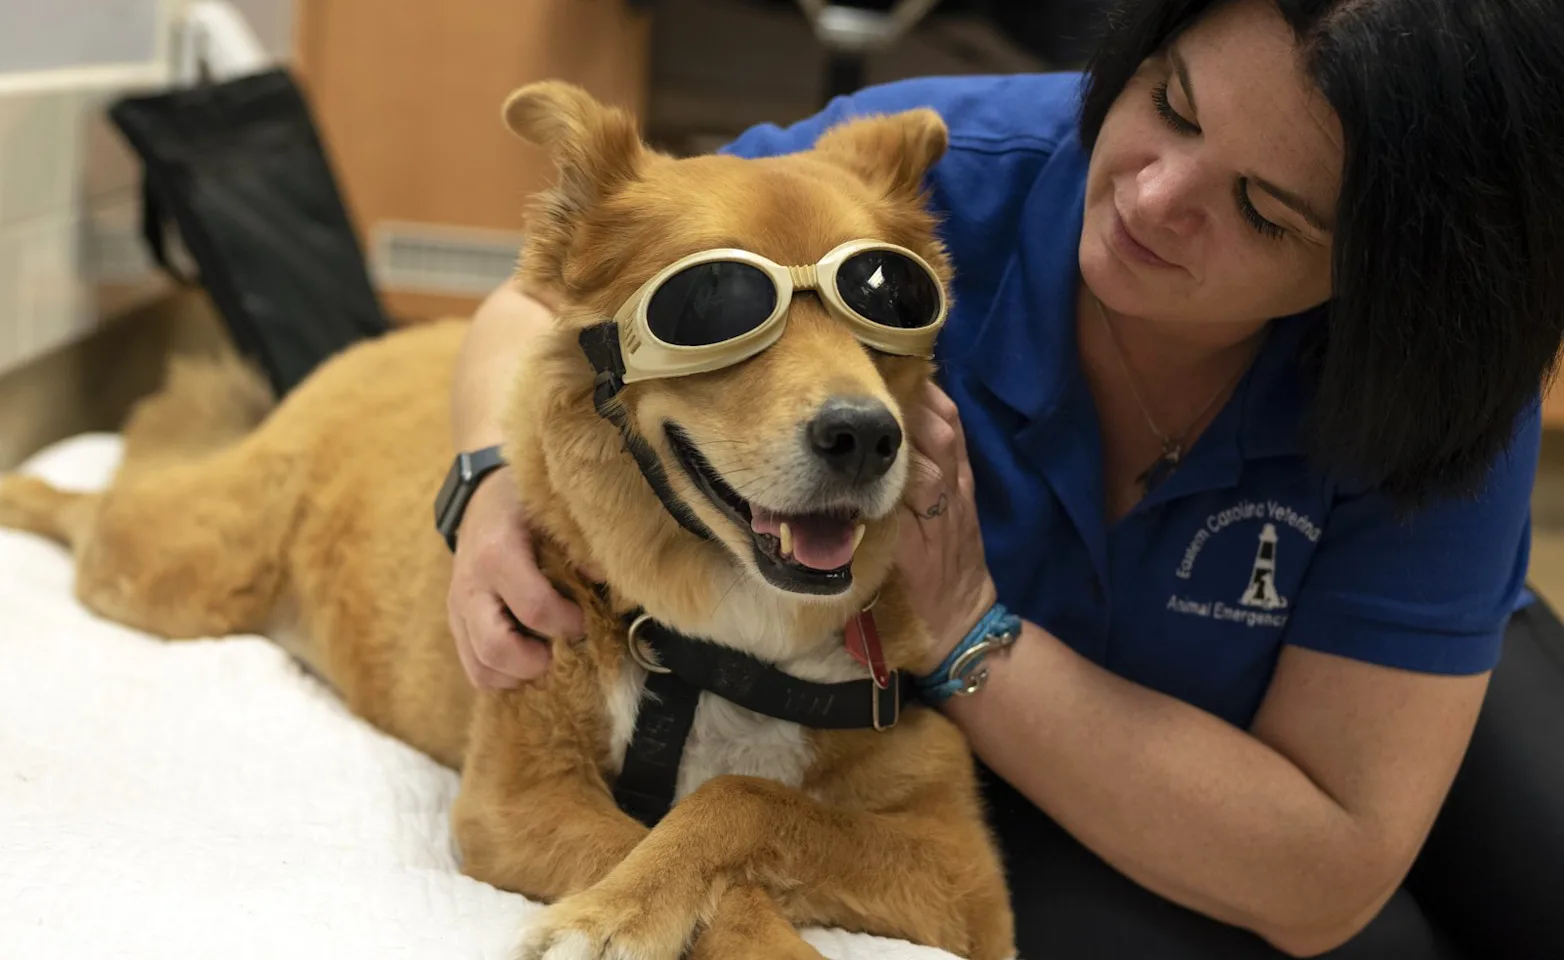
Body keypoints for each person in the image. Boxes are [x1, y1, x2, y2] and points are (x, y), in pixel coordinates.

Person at [440, 0, 1564, 956]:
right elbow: (547, 299)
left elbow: (1324, 870)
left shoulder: (1439, 366)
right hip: (1030, 762)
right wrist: (489, 483)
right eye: (1170, 106)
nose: (1152, 198)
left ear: (1382, 275)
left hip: (1354, 696)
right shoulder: (945, 176)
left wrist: (969, 625)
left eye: (1263, 210)